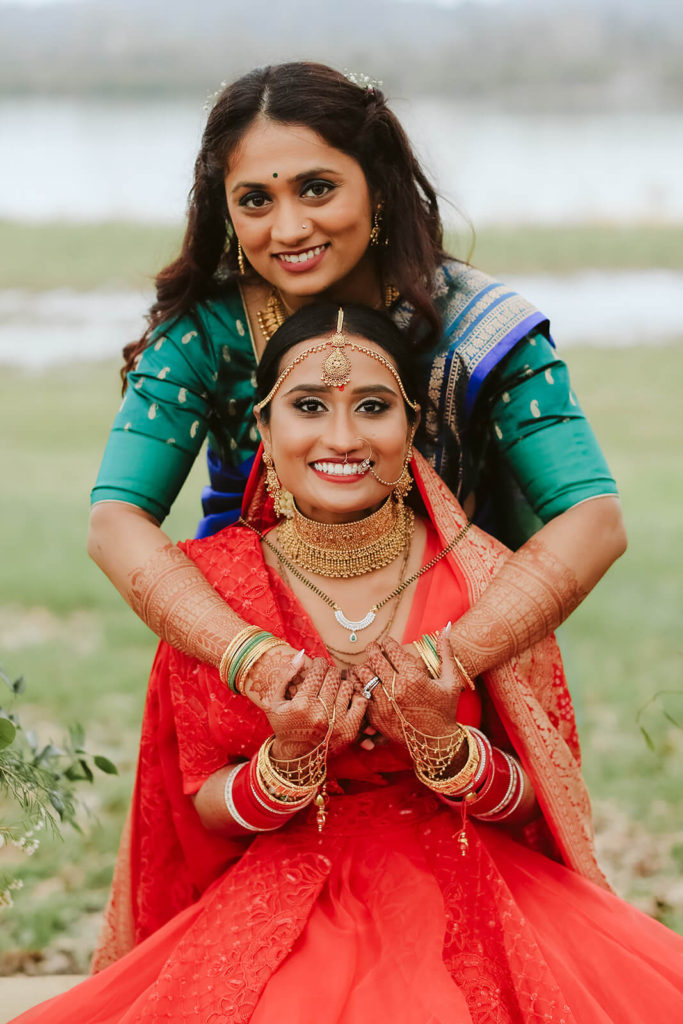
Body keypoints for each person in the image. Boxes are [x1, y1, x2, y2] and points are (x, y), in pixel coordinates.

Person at [13, 305, 682, 1023]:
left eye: (372, 406)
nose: (342, 437)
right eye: (307, 407)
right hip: (284, 904)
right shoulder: (215, 589)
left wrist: (447, 748)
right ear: (265, 433)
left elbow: (538, 795)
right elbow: (203, 803)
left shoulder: (484, 578)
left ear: (409, 426)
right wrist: (289, 762)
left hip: (479, 892)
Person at [86, 61, 626, 724]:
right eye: (255, 199)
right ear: (225, 211)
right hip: (252, 668)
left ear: (377, 189)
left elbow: (594, 520)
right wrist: (252, 659)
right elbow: (114, 522)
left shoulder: (481, 329)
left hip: (460, 664)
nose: (287, 230)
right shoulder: (206, 333)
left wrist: (442, 662)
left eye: (317, 189)